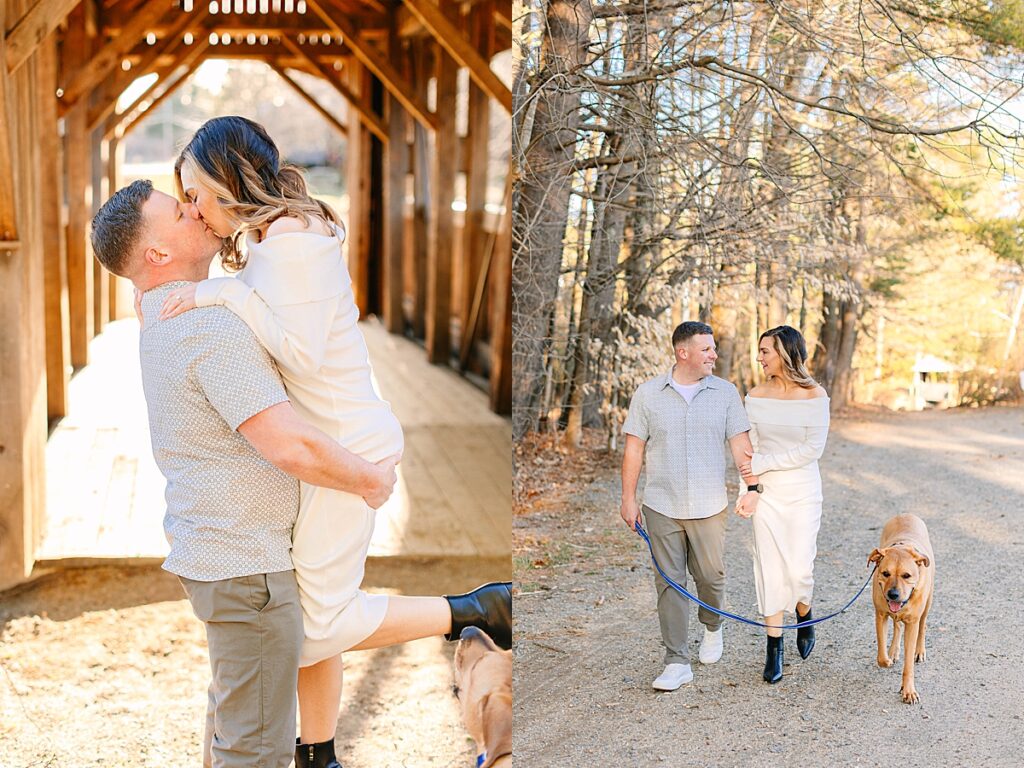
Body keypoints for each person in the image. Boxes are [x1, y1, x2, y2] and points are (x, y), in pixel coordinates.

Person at [158, 116, 511, 768]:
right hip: (332, 444)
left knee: (316, 623)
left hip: (347, 449)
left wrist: (217, 294)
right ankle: (317, 754)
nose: (191, 209)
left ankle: (479, 608)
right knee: (309, 614)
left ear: (231, 181)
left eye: (197, 193)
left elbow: (302, 351)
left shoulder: (290, 237)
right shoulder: (274, 233)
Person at [90, 180, 399, 768]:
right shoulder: (206, 328)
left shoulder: (163, 309)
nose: (194, 210)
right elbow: (289, 445)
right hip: (248, 568)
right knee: (255, 749)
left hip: (219, 556)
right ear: (156, 255)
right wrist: (367, 478)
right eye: (179, 211)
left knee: (234, 723)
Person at [621, 321, 757, 691]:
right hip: (661, 505)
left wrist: (752, 487)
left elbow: (741, 446)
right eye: (707, 349)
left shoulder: (725, 393)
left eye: (713, 349)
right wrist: (628, 498)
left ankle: (712, 626)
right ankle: (676, 660)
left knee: (711, 578)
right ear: (684, 353)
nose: (714, 354)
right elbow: (634, 448)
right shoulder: (648, 395)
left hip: (710, 506)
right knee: (669, 583)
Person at [735, 325, 830, 684]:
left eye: (765, 351)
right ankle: (773, 648)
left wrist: (764, 462)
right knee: (770, 569)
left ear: (786, 354)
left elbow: (812, 450)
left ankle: (804, 613)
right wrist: (750, 488)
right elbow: (750, 449)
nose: (759, 358)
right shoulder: (755, 395)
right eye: (759, 351)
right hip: (768, 493)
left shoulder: (814, 395)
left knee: (798, 570)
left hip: (803, 491)